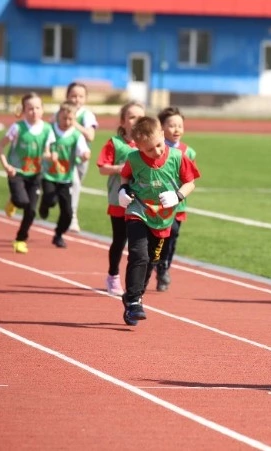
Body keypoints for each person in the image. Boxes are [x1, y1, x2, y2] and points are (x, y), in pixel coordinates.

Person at [117, 116, 200, 325]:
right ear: (138, 147)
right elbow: (125, 176)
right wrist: (123, 189)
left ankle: (134, 295)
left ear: (162, 135)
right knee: (139, 255)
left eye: (158, 145)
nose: (156, 152)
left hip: (162, 219)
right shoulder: (134, 159)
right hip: (138, 211)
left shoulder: (178, 157)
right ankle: (135, 301)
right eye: (149, 150)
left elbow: (190, 183)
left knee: (152, 260)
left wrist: (178, 196)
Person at [0, 92, 56, 254]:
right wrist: (6, 166)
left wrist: (51, 157)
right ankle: (14, 201)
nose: (34, 111)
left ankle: (20, 239)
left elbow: (46, 152)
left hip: (35, 175)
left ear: (42, 110)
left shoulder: (47, 129)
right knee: (22, 201)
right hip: (17, 173)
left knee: (31, 210)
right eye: (30, 108)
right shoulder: (17, 128)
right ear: (23, 110)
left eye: (37, 108)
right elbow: (0, 146)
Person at [97, 101, 144, 295]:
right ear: (123, 121)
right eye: (132, 117)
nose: (136, 121)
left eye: (140, 117)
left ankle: (136, 280)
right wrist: (122, 168)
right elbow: (102, 168)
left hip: (142, 202)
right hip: (119, 200)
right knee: (120, 240)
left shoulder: (147, 144)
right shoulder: (114, 143)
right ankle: (113, 275)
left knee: (139, 244)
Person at [152, 106, 200, 292]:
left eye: (180, 125)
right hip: (154, 206)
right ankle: (154, 263)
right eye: (171, 125)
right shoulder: (156, 149)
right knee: (156, 239)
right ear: (161, 128)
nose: (177, 129)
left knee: (172, 237)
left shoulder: (188, 152)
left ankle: (163, 267)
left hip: (178, 205)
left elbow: (190, 179)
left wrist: (178, 195)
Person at [39, 102, 91, 248]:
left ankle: (58, 234)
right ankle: (44, 205)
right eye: (64, 119)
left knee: (67, 212)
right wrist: (49, 155)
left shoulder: (76, 135)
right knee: (50, 199)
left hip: (65, 178)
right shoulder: (50, 131)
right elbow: (43, 149)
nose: (67, 122)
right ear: (58, 117)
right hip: (49, 175)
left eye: (70, 119)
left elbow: (83, 151)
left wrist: (85, 154)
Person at [62, 82, 99, 233]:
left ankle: (68, 212)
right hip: (63, 157)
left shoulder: (87, 115)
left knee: (74, 186)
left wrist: (74, 123)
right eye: (73, 96)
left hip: (82, 157)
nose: (77, 99)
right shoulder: (61, 112)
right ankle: (72, 217)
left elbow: (90, 136)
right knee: (74, 184)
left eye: (80, 96)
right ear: (67, 97)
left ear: (85, 99)